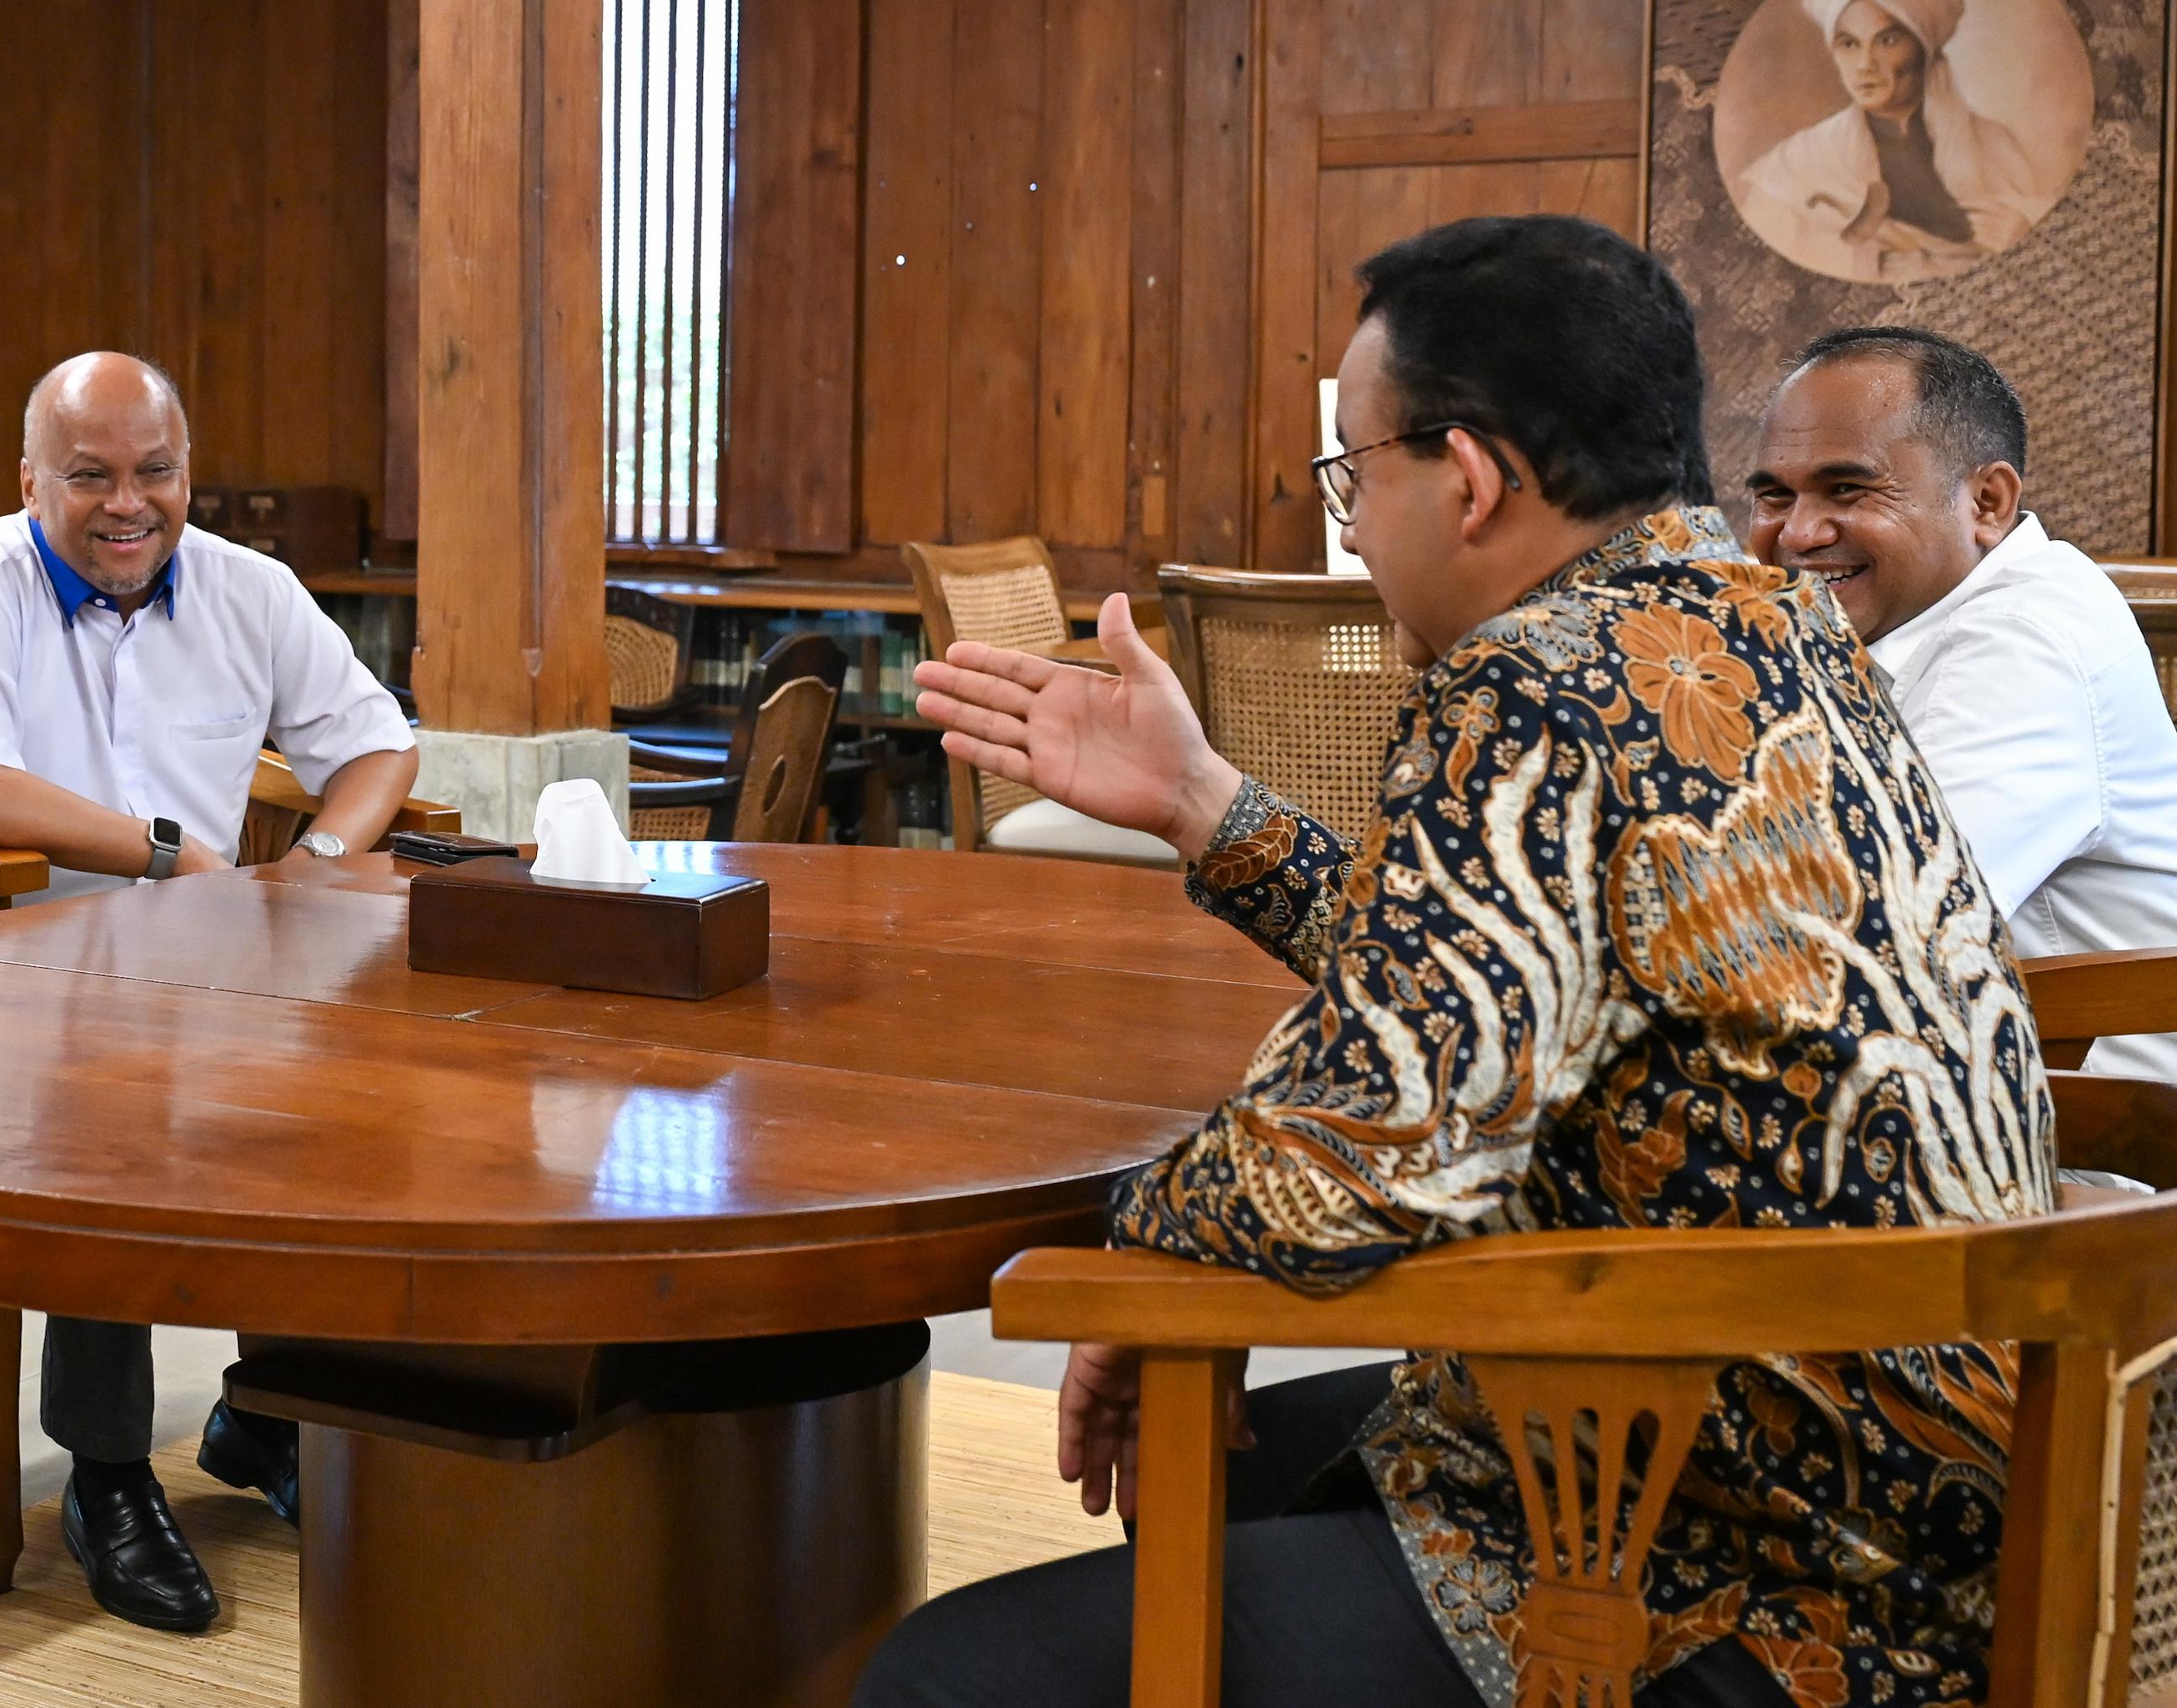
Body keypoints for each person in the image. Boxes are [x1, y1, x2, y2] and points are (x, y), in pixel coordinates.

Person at [861, 218, 2048, 1708]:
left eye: (1357, 474)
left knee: (945, 1673)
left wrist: (1141, 1250)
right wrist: (1202, 802)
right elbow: (1497, 994)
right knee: (1245, 1464)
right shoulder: (1767, 624)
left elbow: (1373, 1148)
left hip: (1760, 1550)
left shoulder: (1535, 679)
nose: (1352, 525)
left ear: (1470, 477)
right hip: (1945, 1475)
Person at [0, 349, 420, 1633]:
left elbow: (377, 743)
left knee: (365, 1086)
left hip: (208, 970)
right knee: (104, 1107)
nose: (126, 503)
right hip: (4, 977)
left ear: (189, 474)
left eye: (156, 472)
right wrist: (158, 848)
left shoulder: (250, 588)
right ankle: (111, 1472)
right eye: (90, 476)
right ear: (33, 481)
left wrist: (320, 864)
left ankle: (273, 1408)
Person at [1747, 324, 2177, 1081]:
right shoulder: (1872, 629)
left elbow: (1862, 928)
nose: (1799, 533)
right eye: (1775, 495)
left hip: (2091, 1162)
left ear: (1987, 501)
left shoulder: (2025, 638)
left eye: (1848, 488)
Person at [1733, 0, 2049, 281]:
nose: (1865, 65)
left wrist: (2018, 230)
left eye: (1887, 41)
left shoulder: (1995, 147)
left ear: (1923, 49)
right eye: (1849, 44)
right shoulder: (1798, 164)